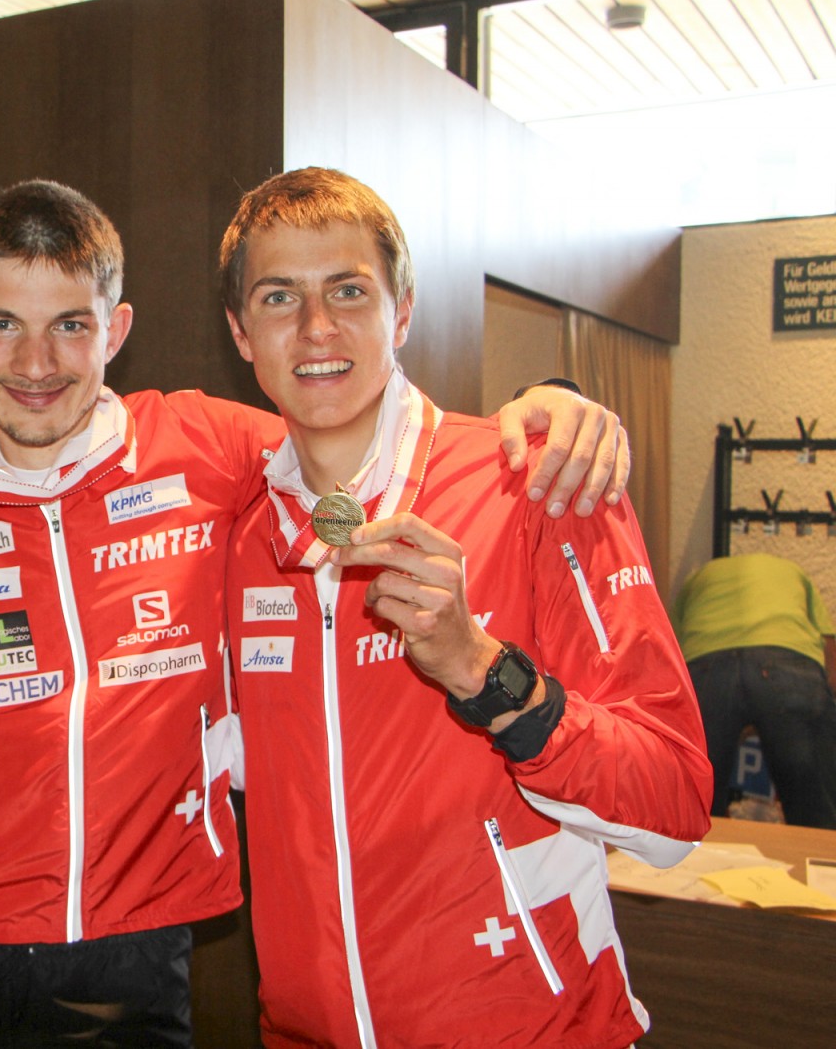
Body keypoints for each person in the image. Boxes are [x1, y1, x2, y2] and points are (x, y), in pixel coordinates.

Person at [0, 179, 632, 1048]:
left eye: (71, 325)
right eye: (2, 324)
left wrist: (543, 407)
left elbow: (351, 430)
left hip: (135, 944)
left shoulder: (202, 445)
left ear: (116, 330)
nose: (36, 363)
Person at [219, 167, 712, 1047]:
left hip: (531, 1029)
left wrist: (483, 671)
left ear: (403, 311)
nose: (317, 326)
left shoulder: (538, 483)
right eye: (279, 297)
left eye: (349, 291)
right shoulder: (238, 534)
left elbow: (672, 807)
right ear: (240, 332)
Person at [675, 552, 836, 827]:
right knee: (816, 806)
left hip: (706, 662)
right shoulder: (792, 570)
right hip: (786, 658)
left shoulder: (696, 579)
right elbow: (830, 645)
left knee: (694, 809)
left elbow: (670, 649)